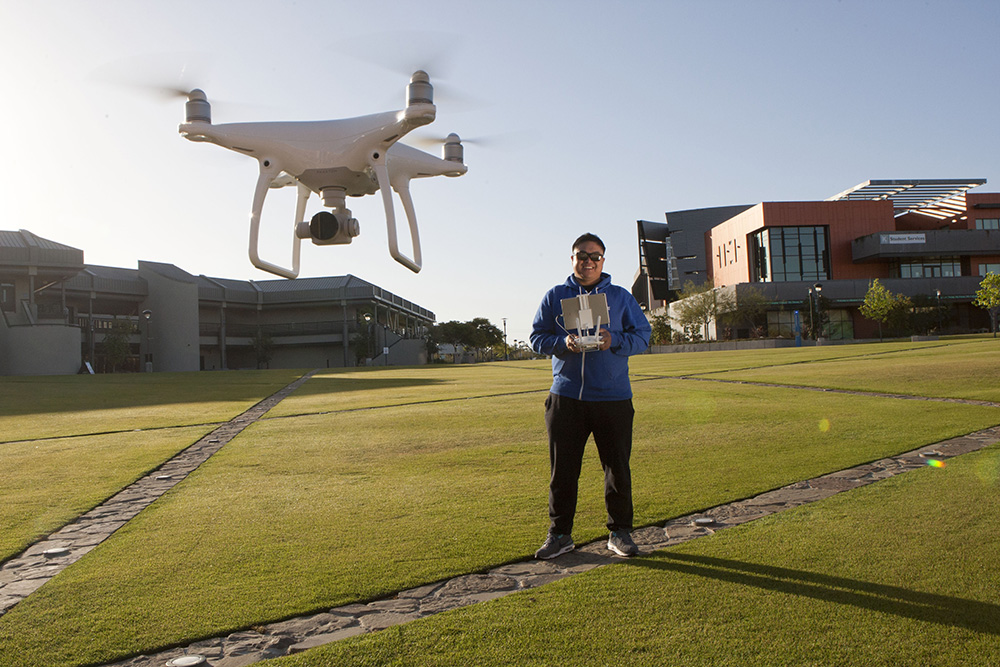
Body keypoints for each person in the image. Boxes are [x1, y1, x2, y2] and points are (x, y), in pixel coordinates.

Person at [530, 233, 651, 559]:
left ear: (603, 261)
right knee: (563, 471)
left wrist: (615, 340)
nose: (588, 261)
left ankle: (620, 532)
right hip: (566, 397)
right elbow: (536, 337)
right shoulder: (555, 296)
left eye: (594, 257)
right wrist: (561, 344)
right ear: (572, 259)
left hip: (612, 397)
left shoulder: (621, 297)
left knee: (617, 469)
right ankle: (560, 534)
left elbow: (643, 336)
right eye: (581, 256)